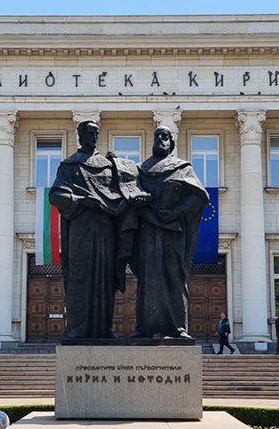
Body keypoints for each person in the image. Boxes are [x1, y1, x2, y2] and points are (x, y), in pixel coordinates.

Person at [49, 120, 149, 338]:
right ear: (80, 135)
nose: (93, 136)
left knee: (105, 278)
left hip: (105, 229)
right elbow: (56, 195)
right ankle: (78, 328)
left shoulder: (107, 165)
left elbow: (122, 190)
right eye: (89, 133)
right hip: (81, 228)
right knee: (80, 277)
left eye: (96, 133)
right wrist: (80, 200)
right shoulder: (70, 165)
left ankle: (105, 328)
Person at [130, 126, 209, 339]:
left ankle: (177, 327)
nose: (160, 140)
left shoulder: (182, 168)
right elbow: (131, 192)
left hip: (173, 232)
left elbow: (198, 197)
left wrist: (177, 212)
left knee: (174, 276)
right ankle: (144, 327)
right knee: (148, 278)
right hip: (147, 231)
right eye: (157, 136)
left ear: (171, 143)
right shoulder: (141, 169)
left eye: (165, 137)